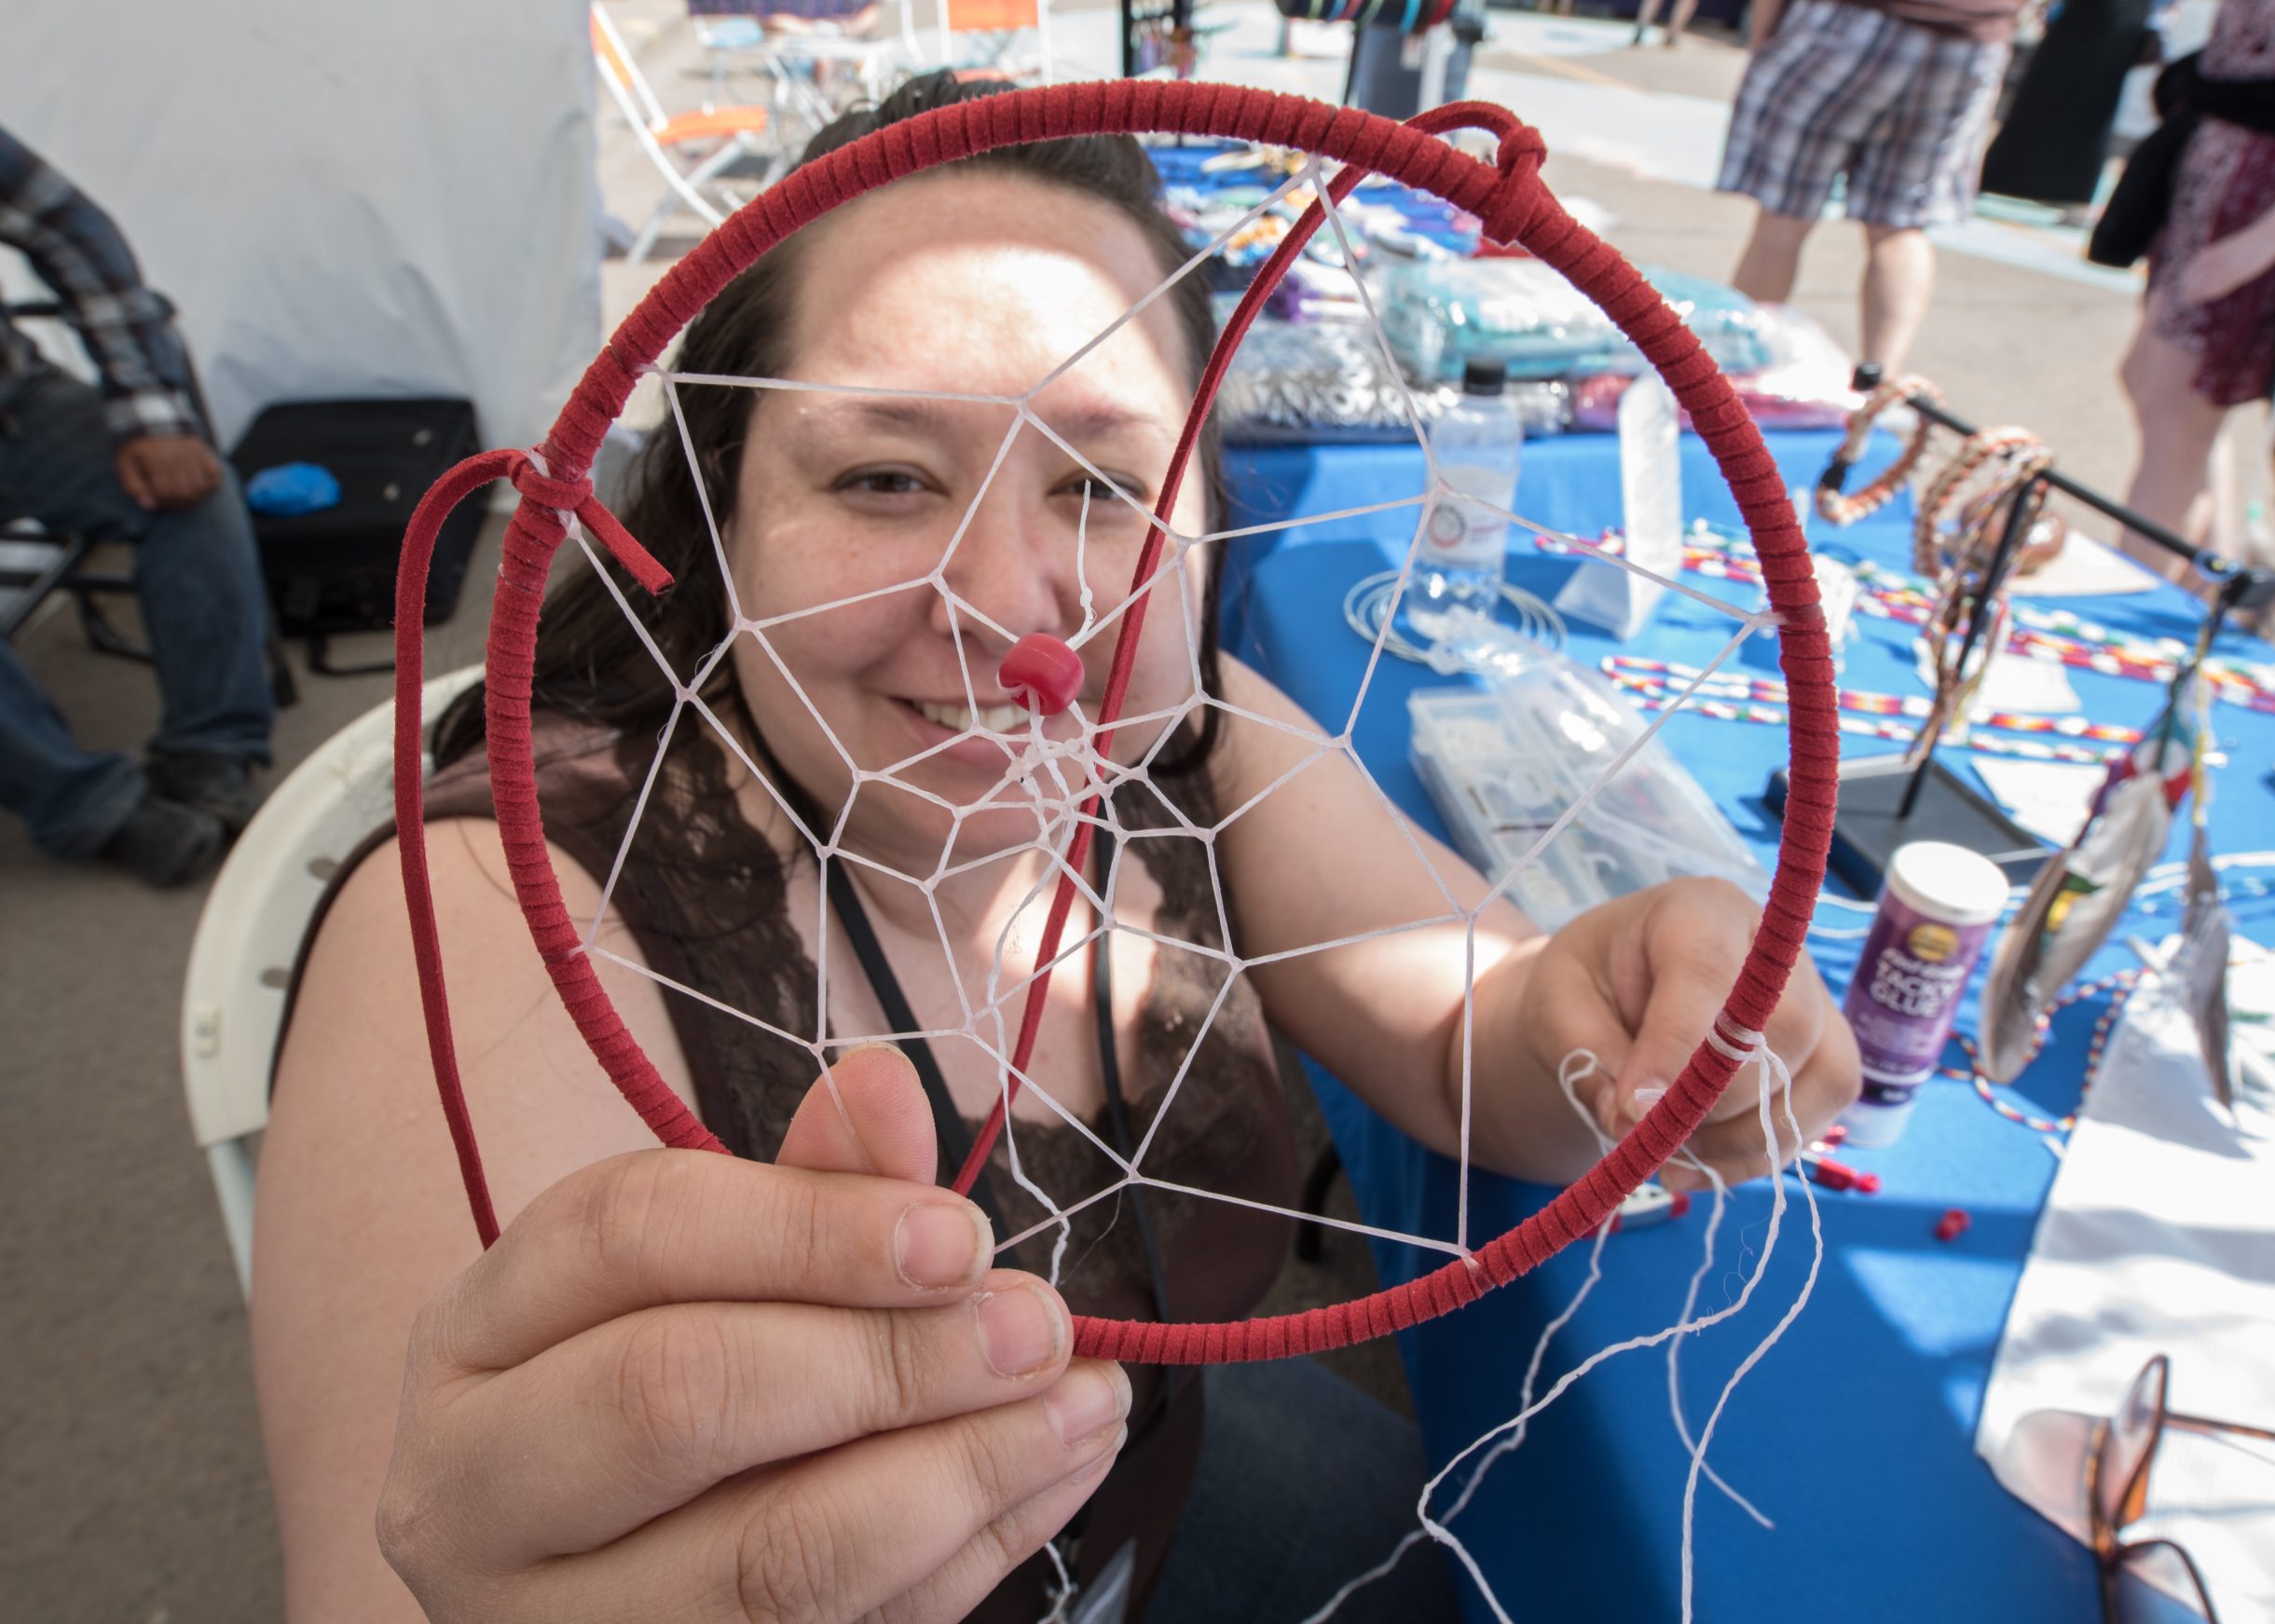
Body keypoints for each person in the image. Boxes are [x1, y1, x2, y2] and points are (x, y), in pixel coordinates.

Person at [250, 74, 1860, 1624]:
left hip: (1147, 1500)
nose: (1011, 604)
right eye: (886, 475)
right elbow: (409, 1559)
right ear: (719, 510)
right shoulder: (489, 920)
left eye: (1102, 485)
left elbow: (1472, 1037)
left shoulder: (1191, 737)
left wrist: (1608, 1009)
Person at [0, 124, 277, 886]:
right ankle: (94, 807)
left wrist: (148, 411)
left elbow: (70, 228)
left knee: (188, 483)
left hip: (11, 410)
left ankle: (209, 753)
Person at [2100, 0, 2275, 580]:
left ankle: (2133, 595)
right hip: (2210, 182)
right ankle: (2205, 583)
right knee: (2153, 386)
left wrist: (2262, 242)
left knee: (2178, 416)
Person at [1717, 0, 2026, 377]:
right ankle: (1880, 381)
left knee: (1783, 217)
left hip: (1852, 25)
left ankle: (1737, 371)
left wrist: (1764, 33)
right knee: (1900, 227)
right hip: (1968, 44)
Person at [1980, 0, 2159, 221]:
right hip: (2087, 16)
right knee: (2045, 94)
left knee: (2089, 106)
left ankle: (2072, 195)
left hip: (2116, 20)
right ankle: (2006, 178)